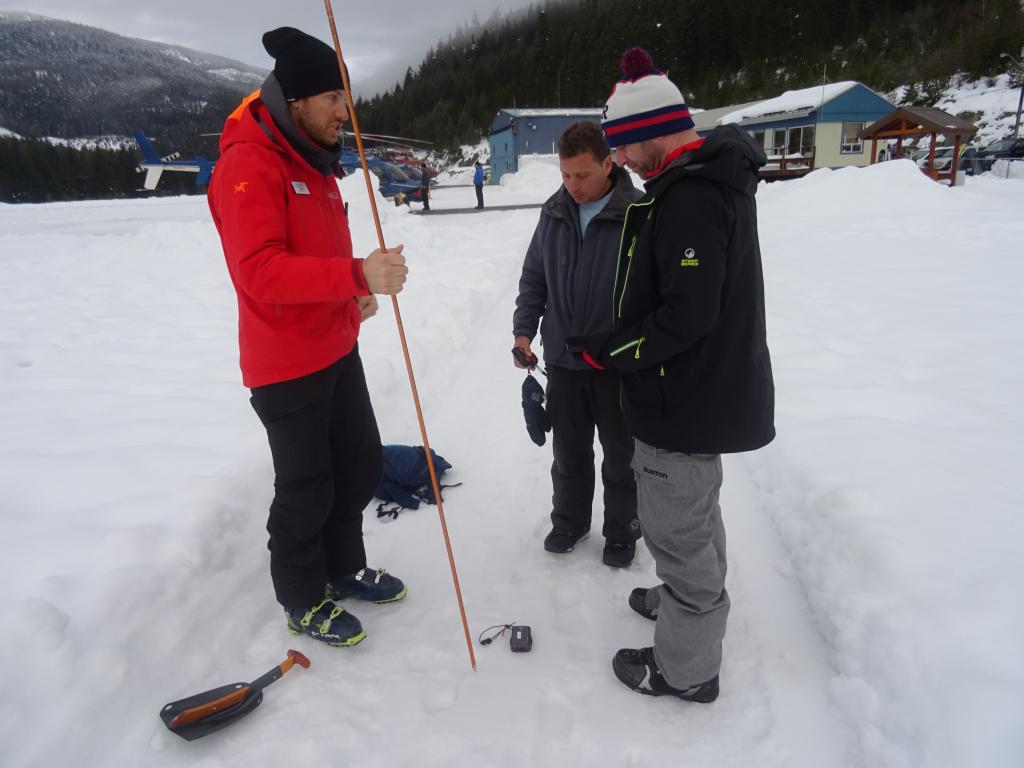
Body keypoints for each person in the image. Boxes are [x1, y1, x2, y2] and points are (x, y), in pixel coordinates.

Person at [571, 48, 775, 702]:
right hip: (696, 393)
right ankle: (690, 601)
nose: (622, 162)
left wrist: (612, 350)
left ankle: (686, 670)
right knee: (691, 509)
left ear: (657, 132)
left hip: (682, 397)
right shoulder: (702, 182)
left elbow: (685, 317)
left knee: (677, 527)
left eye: (626, 147)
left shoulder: (691, 197)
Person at [208, 27, 410, 648]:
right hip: (284, 364)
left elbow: (312, 256)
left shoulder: (315, 162)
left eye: (344, 100)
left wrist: (351, 295)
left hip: (335, 345)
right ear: (295, 101)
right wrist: (353, 273)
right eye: (332, 101)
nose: (342, 115)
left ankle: (343, 568)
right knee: (306, 487)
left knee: (357, 467)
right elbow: (259, 271)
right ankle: (301, 596)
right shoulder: (249, 163)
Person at [512, 121, 642, 567]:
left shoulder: (638, 212)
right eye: (566, 176)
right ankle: (569, 520)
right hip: (563, 359)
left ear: (609, 163)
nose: (574, 186)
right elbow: (534, 279)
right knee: (568, 451)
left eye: (583, 176)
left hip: (616, 364)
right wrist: (523, 332)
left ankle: (622, 531)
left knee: (622, 456)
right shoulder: (554, 213)